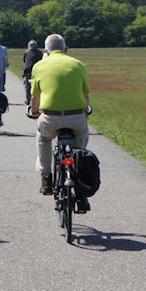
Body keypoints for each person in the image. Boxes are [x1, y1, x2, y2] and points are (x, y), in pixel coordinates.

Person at [30, 33, 91, 211]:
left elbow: (35, 97)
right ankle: (80, 192)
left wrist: (34, 111)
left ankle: (46, 179)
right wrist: (86, 109)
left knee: (44, 139)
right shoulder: (78, 64)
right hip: (76, 117)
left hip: (50, 117)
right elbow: (86, 95)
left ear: (46, 51)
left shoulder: (39, 66)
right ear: (66, 49)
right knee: (80, 150)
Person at [22, 39, 43, 105]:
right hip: (37, 71)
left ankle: (28, 100)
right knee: (37, 86)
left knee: (28, 87)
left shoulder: (26, 52)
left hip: (28, 70)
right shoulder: (39, 52)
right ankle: (37, 100)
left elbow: (24, 61)